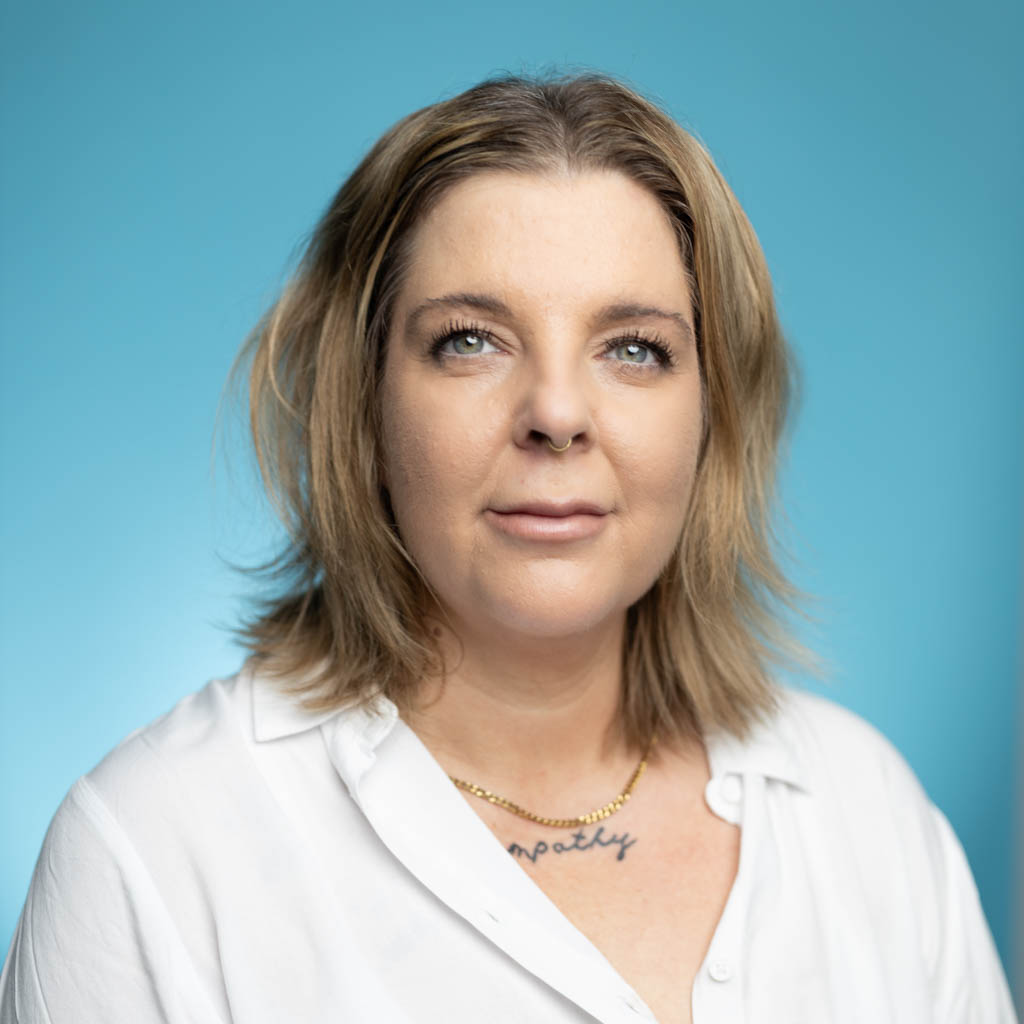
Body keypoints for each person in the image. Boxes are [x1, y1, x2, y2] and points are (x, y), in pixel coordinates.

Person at [0, 72, 1015, 1024]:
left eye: (634, 348)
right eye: (470, 340)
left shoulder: (865, 810)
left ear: (713, 412)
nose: (557, 413)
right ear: (363, 403)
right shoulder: (152, 851)